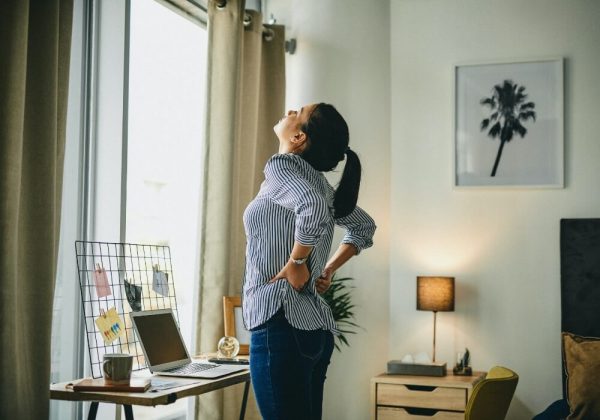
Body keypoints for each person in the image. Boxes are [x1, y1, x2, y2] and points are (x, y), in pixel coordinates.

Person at [242, 103, 376, 420]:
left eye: (298, 112)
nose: (289, 110)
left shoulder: (282, 167)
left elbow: (313, 208)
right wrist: (326, 269)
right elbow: (363, 226)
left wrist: (298, 261)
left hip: (280, 322)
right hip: (312, 329)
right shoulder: (317, 183)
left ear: (299, 137)